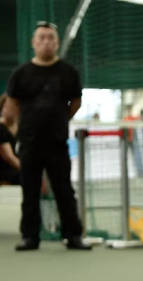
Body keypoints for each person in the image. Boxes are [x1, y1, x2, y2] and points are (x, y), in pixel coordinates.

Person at [3, 21, 90, 250]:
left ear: (57, 42)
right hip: (29, 144)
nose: (46, 42)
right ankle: (30, 237)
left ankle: (73, 236)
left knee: (64, 191)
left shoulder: (68, 73)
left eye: (50, 38)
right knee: (30, 191)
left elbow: (76, 103)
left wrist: (61, 119)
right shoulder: (20, 75)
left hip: (58, 143)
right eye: (41, 38)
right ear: (34, 43)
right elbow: (11, 108)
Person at [0, 94, 21, 185]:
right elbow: (9, 157)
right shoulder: (1, 128)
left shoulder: (22, 129)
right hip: (5, 172)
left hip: (17, 171)